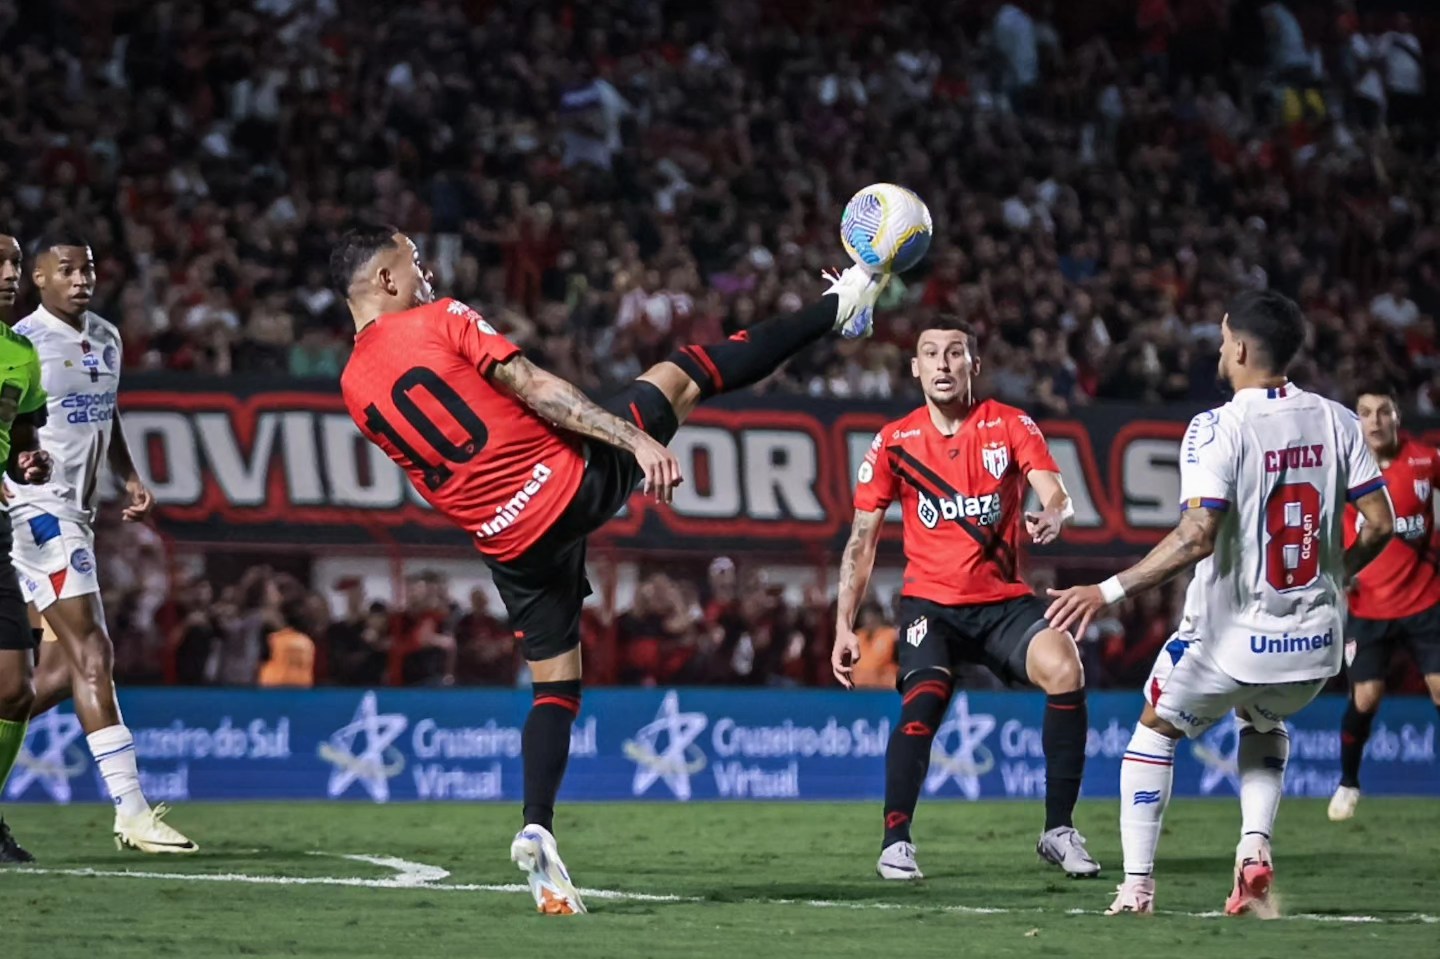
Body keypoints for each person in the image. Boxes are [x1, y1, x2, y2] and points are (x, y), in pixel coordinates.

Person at [334, 224, 885, 914]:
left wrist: (499, 513)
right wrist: (632, 437)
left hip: (507, 541)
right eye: (413, 264)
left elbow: (433, 473)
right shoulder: (439, 318)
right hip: (569, 482)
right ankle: (843, 306)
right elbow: (532, 385)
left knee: (555, 686)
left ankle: (537, 827)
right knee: (685, 372)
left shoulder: (354, 384)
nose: (426, 275)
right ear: (385, 279)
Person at [1045, 290, 1394, 917]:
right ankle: (1254, 847)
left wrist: (1109, 589)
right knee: (1263, 720)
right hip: (1314, 652)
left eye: (1221, 335)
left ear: (1237, 347)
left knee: (1153, 733)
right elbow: (1379, 522)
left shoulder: (1217, 426)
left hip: (1233, 642)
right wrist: (1331, 577)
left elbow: (1197, 534)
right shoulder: (1339, 420)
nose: (1217, 345)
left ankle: (1137, 888)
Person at [831, 315, 1098, 881]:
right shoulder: (894, 443)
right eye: (931, 353)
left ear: (974, 364)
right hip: (931, 607)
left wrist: (1053, 513)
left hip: (1002, 604)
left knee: (1064, 665)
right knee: (923, 699)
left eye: (955, 353)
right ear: (916, 368)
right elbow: (862, 540)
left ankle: (1058, 830)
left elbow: (1055, 491)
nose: (943, 364)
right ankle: (895, 840)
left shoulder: (1010, 425)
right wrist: (842, 624)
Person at [8, 235, 197, 854]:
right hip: (40, 512)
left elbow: (105, 411)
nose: (81, 279)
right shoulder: (24, 342)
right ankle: (132, 810)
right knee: (94, 651)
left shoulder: (108, 337)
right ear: (38, 278)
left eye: (88, 268)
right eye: (65, 270)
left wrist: (131, 474)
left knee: (56, 672)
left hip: (78, 513)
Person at [1328, 385, 1440, 822]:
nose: (1374, 421)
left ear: (1398, 417)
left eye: (1383, 412)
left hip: (1425, 602)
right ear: (1355, 420)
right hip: (1368, 606)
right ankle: (1348, 782)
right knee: (1367, 698)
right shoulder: (1342, 471)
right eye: (1366, 413)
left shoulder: (1425, 460)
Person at [0, 232, 55, 863]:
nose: (10, 272)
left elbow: (20, 446)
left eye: (16, 262)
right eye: (1, 262)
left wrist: (29, 464)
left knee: (14, 687)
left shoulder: (21, 353)